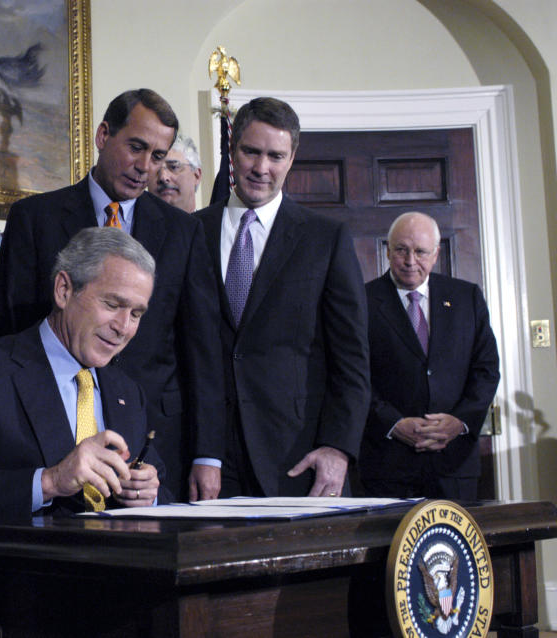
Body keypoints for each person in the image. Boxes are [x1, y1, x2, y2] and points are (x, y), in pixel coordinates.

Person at [0, 89, 224, 502]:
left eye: (157, 156)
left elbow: (202, 348)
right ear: (103, 136)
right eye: (136, 147)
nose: (144, 168)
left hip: (154, 438)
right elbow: (12, 333)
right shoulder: (35, 219)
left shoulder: (184, 232)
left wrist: (208, 454)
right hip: (52, 425)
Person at [0, 227, 167, 538]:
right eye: (112, 305)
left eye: (136, 314)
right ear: (64, 290)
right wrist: (50, 482)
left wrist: (148, 494)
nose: (123, 327)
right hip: (20, 576)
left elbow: (162, 496)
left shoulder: (126, 391)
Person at [195, 97, 370, 498]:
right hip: (207, 458)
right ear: (232, 149)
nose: (261, 168)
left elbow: (353, 359)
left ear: (292, 158)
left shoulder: (325, 239)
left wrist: (338, 448)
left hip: (299, 458)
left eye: (276, 156)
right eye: (251, 152)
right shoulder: (191, 232)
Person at [360, 212, 500, 499]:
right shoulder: (361, 302)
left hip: (455, 465)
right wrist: (393, 423)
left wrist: (459, 422)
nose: (411, 261)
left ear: (435, 254)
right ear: (387, 250)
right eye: (401, 250)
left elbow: (486, 370)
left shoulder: (466, 298)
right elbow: (353, 376)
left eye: (421, 252)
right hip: (388, 465)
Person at [148, 133, 202, 212]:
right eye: (156, 169)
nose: (163, 177)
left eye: (173, 167)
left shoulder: (216, 223)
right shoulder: (130, 223)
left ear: (196, 176)